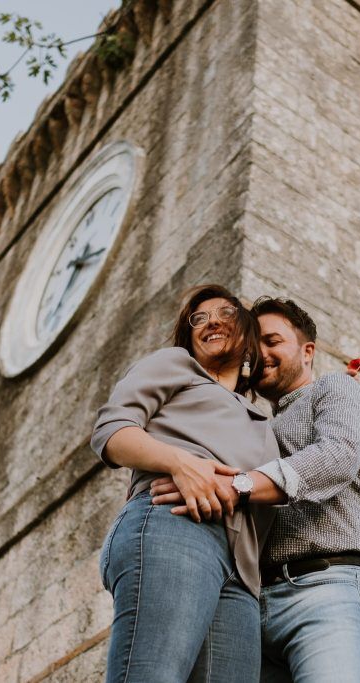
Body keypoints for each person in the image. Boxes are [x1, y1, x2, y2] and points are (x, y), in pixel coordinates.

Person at [151, 297, 360, 682]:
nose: (261, 352)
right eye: (253, 344)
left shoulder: (336, 388)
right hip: (250, 605)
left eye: (273, 341)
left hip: (325, 589)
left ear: (307, 351)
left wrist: (237, 485)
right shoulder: (255, 425)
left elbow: (337, 456)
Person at [91, 284, 280, 683]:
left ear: (248, 337)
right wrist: (180, 463)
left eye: (225, 313)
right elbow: (111, 431)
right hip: (174, 526)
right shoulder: (177, 365)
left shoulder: (262, 419)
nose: (210, 321)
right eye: (199, 318)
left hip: (240, 572)